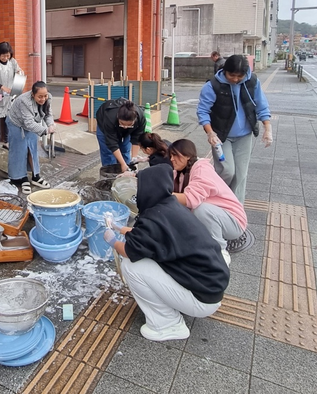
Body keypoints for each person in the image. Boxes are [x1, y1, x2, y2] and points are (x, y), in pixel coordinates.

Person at [103, 164, 229, 342]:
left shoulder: (153, 219)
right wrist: (120, 228)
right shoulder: (170, 207)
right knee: (145, 261)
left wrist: (112, 241)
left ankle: (167, 324)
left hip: (202, 298)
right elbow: (151, 239)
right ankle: (173, 306)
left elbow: (129, 252)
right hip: (211, 286)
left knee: (131, 267)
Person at [196, 54, 272, 206]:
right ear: (225, 71)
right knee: (227, 170)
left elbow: (262, 106)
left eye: (240, 76)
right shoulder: (213, 85)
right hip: (221, 136)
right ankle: (217, 199)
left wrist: (267, 128)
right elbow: (203, 111)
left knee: (240, 174)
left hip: (244, 135)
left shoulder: (252, 82)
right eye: (232, 75)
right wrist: (210, 132)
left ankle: (236, 207)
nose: (236, 79)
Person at [169, 139, 247, 265]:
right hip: (220, 216)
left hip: (234, 221)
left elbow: (190, 199)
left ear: (187, 155)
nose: (172, 159)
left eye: (175, 155)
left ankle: (220, 252)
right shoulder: (180, 172)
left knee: (201, 209)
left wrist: (162, 193)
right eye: (170, 156)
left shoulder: (201, 170)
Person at [6, 81, 54, 196]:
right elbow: (28, 123)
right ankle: (20, 178)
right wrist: (45, 130)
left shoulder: (48, 98)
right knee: (19, 150)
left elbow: (48, 114)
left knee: (32, 149)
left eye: (45, 96)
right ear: (33, 94)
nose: (43, 99)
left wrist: (51, 124)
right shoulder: (24, 101)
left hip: (33, 122)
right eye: (40, 96)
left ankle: (35, 176)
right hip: (16, 124)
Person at [95, 98, 146, 174]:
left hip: (128, 130)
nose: (125, 126)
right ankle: (112, 176)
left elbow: (137, 138)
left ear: (135, 120)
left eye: (129, 124)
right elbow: (112, 143)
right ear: (118, 117)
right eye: (122, 123)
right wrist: (122, 164)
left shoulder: (141, 118)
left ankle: (126, 171)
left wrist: (134, 159)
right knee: (109, 153)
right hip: (105, 127)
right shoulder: (110, 116)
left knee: (125, 149)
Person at [0, 42, 23, 147]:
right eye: (3, 55)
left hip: (9, 96)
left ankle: (7, 140)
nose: (6, 58)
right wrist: (2, 87)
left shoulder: (12, 62)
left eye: (8, 55)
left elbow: (18, 70)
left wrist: (19, 72)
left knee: (8, 117)